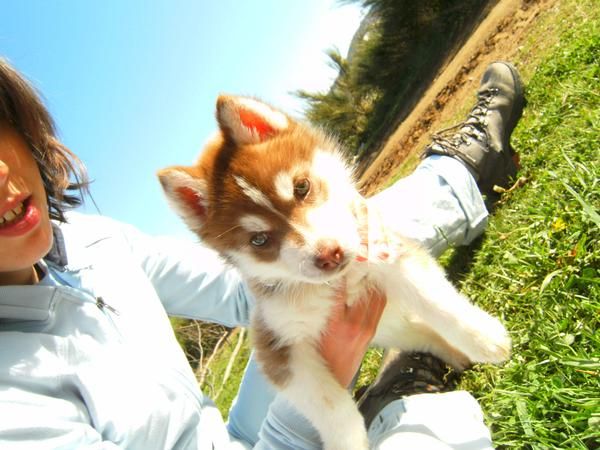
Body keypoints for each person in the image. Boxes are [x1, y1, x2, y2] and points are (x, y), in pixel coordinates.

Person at [0, 56, 524, 449]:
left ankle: (462, 171)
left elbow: (239, 290)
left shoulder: (95, 241)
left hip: (237, 423)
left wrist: (343, 218)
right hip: (275, 433)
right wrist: (331, 385)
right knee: (445, 434)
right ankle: (392, 397)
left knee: (359, 241)